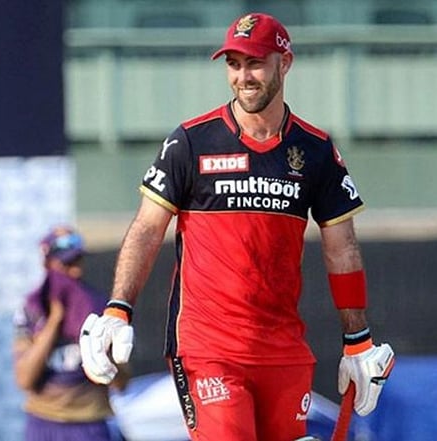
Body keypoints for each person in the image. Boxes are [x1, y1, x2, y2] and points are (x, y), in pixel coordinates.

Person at [78, 13, 395, 441]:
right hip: (209, 348)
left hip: (283, 350)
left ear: (285, 63)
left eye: (255, 63)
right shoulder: (190, 141)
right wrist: (118, 309)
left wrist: (358, 339)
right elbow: (147, 229)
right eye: (233, 64)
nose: (243, 76)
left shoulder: (315, 149)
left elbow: (343, 249)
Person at [13, 226, 126, 441]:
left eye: (78, 262)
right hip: (43, 423)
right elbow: (25, 380)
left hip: (90, 423)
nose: (76, 272)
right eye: (67, 264)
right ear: (47, 264)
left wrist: (102, 352)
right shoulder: (31, 311)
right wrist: (55, 321)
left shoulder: (99, 307)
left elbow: (122, 381)